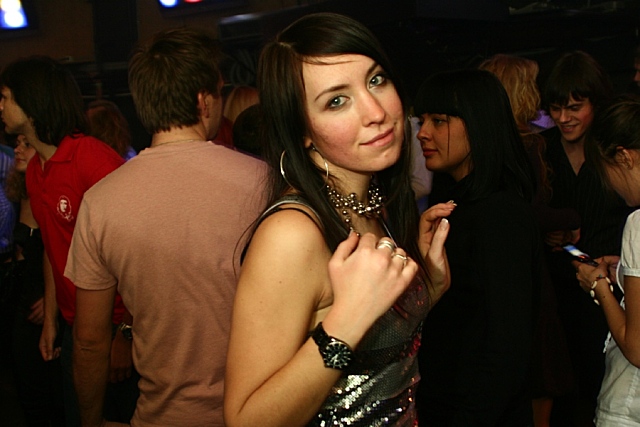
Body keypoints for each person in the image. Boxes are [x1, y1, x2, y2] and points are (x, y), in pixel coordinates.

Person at [223, 12, 452, 427]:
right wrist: (347, 322)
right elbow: (246, 420)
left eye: (376, 80)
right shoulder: (292, 233)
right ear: (302, 131)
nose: (375, 111)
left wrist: (426, 290)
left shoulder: (371, 203)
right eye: (336, 101)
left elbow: (383, 365)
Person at [64, 27, 267, 427]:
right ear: (203, 101)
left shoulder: (100, 202)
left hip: (164, 416)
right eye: (220, 93)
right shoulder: (264, 182)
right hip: (264, 410)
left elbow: (89, 340)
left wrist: (90, 420)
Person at [0, 56, 136, 427]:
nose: (0, 107)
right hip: (78, 329)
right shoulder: (37, 170)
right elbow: (52, 246)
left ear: (31, 100)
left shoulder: (91, 159)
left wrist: (126, 334)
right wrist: (51, 321)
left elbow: (137, 252)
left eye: (5, 97)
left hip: (119, 328)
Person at [414, 68, 540, 426]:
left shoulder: (500, 213)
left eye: (439, 121)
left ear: (478, 124)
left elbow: (507, 343)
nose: (423, 132)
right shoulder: (453, 205)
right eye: (422, 120)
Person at [480, 53, 576, 427]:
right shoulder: (526, 144)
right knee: (540, 373)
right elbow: (525, 213)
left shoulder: (480, 144)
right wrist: (573, 219)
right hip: (528, 273)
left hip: (492, 274)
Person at [541, 50, 630, 426]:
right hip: (556, 295)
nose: (564, 118)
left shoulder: (614, 151)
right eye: (556, 108)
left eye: (575, 107)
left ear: (597, 102)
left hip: (611, 292)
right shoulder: (540, 150)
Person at [570, 94, 640, 426]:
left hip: (630, 405)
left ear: (624, 157)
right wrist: (625, 271)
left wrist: (599, 285)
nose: (609, 185)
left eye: (605, 171)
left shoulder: (637, 224)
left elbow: (637, 348)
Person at [5, 134, 65, 426]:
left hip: (40, 300)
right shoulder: (23, 191)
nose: (17, 149)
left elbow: (61, 251)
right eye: (16, 143)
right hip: (19, 293)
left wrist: (52, 302)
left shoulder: (52, 192)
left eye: (25, 144)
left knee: (39, 388)